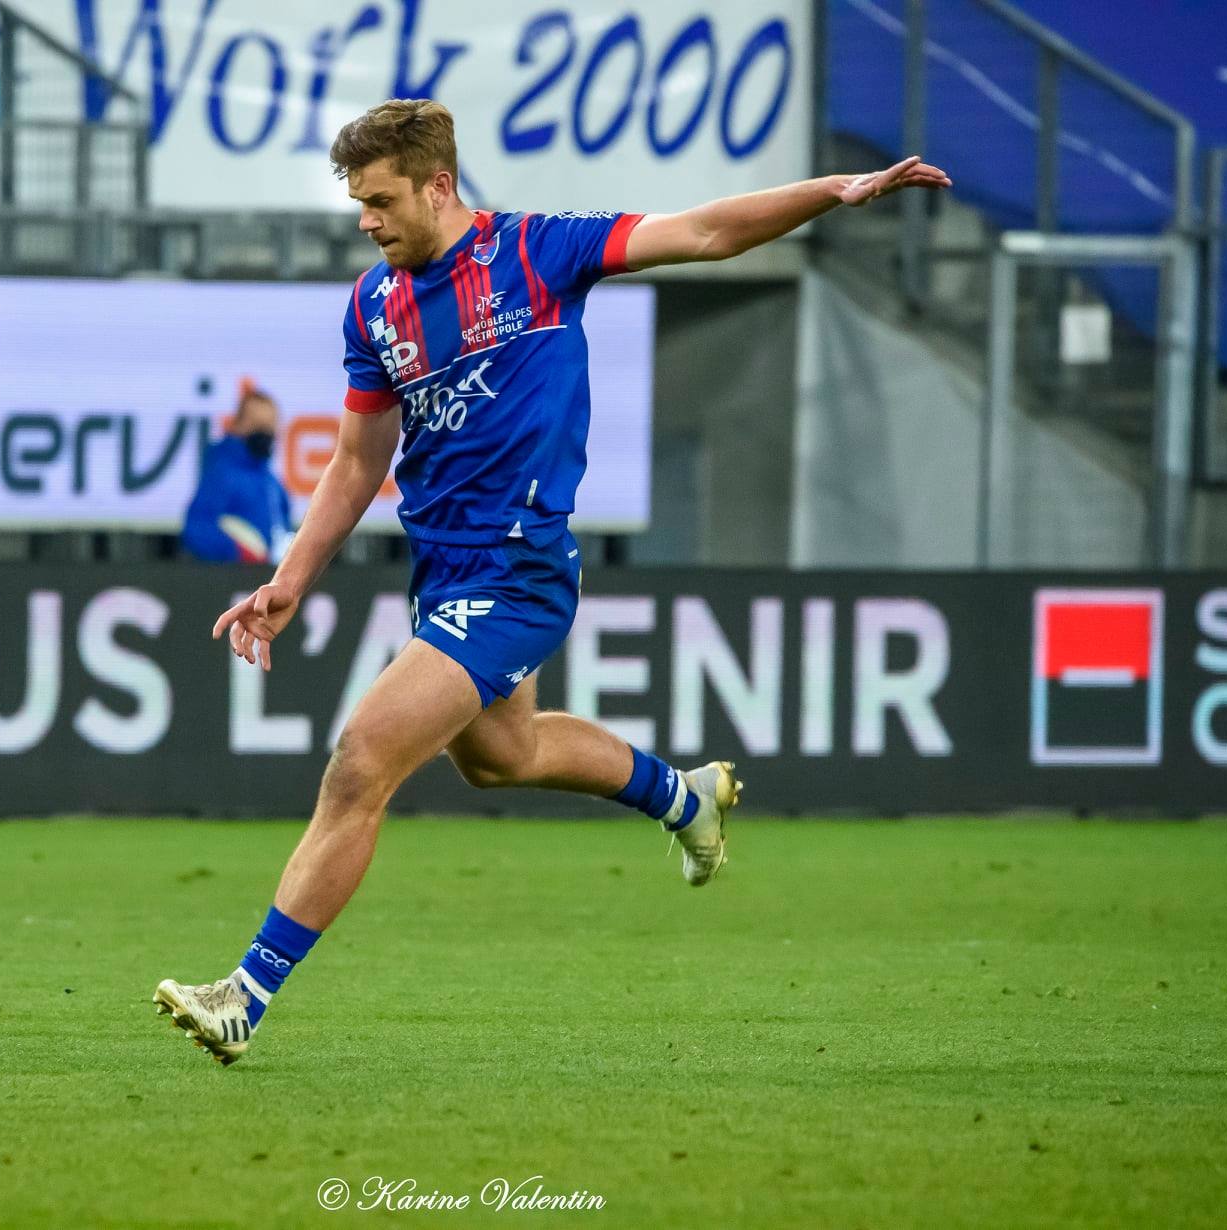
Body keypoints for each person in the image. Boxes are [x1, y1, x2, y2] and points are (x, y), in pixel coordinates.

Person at [155, 100, 952, 1065]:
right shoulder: (374, 305)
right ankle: (683, 796)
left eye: (379, 200)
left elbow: (700, 231)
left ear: (438, 185)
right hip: (444, 571)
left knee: (362, 757)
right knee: (502, 755)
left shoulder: (539, 254)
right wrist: (291, 578)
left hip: (520, 566)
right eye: (358, 203)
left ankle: (246, 995)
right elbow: (358, 460)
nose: (366, 220)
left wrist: (831, 191)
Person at [180, 379, 291, 564]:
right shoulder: (221, 475)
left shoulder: (274, 485)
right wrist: (238, 551)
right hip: (231, 583)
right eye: (257, 425)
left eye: (269, 426)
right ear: (237, 424)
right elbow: (196, 528)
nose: (264, 433)